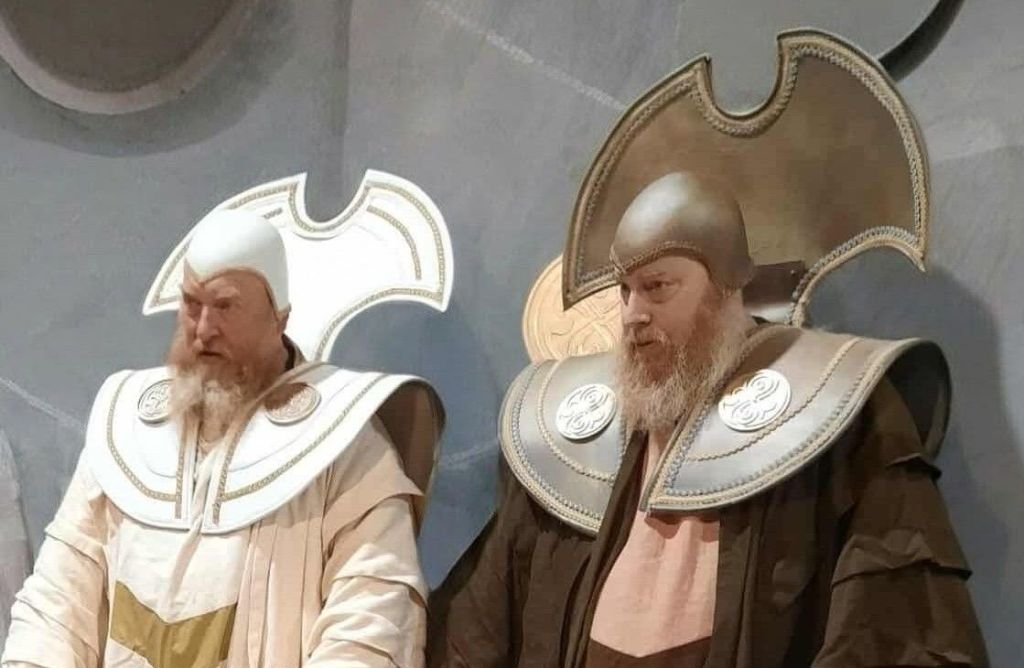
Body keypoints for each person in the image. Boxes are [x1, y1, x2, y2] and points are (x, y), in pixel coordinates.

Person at [428, 31, 988, 667]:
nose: (633, 316)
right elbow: (475, 634)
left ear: (725, 287)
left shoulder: (840, 407)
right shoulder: (565, 434)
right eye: (625, 291)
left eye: (659, 287)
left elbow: (895, 633)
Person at [3, 207, 443, 667]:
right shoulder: (126, 432)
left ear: (280, 318)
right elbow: (59, 599)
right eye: (192, 304)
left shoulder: (347, 444)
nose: (204, 329)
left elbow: (369, 626)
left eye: (226, 306)